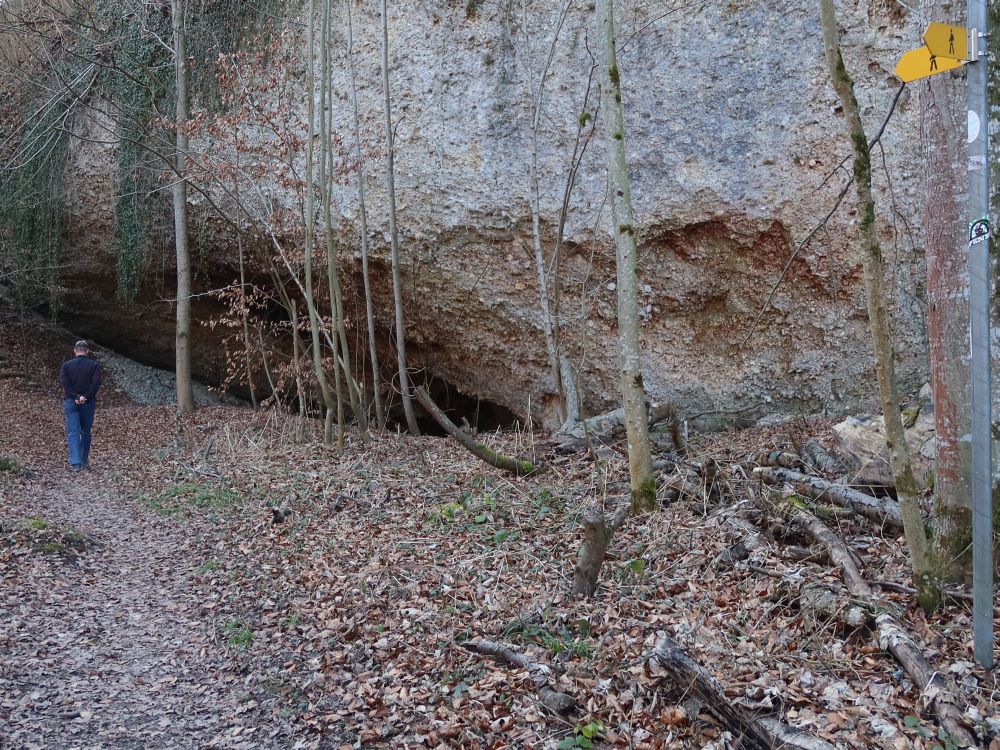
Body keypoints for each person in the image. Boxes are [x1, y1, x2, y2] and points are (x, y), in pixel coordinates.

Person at [59, 340, 102, 471]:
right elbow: (96, 383)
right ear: (87, 351)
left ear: (75, 350)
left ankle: (75, 463)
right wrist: (86, 397)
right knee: (86, 431)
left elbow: (64, 383)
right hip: (88, 403)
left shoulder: (67, 366)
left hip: (71, 402)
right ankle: (83, 460)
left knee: (73, 432)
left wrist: (75, 396)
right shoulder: (94, 365)